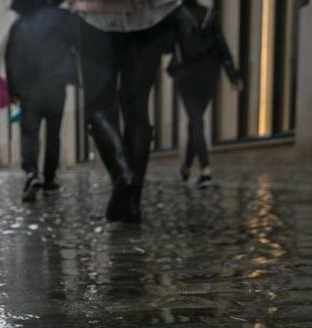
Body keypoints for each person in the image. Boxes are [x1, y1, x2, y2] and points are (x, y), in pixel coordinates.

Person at [71, 0, 179, 223]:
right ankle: (132, 204)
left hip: (96, 16)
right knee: (137, 107)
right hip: (151, 16)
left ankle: (124, 173)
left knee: (98, 106)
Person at [6, 0, 77, 202]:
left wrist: (13, 90)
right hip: (56, 85)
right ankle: (49, 177)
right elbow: (76, 46)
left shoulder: (19, 25)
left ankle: (31, 173)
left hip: (30, 88)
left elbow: (11, 59)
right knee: (54, 133)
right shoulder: (62, 18)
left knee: (29, 133)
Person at [169, 0, 242, 188]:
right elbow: (221, 45)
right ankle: (186, 166)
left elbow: (166, 46)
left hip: (187, 73)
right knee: (196, 121)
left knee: (195, 120)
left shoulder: (176, 15)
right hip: (210, 74)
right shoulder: (211, 14)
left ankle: (205, 168)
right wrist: (232, 75)